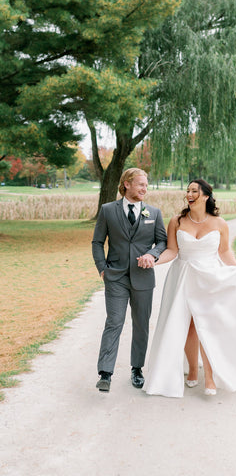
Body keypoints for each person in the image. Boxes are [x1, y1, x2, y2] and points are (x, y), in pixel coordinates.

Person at [142, 179, 236, 397]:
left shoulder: (219, 223)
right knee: (188, 325)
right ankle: (192, 369)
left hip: (210, 278)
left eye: (194, 191)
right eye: (188, 191)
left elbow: (225, 252)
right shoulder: (177, 221)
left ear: (206, 196)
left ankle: (209, 376)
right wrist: (153, 260)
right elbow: (172, 251)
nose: (189, 194)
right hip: (182, 276)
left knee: (206, 324)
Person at [92, 168, 167, 392]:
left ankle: (137, 369)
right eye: (141, 185)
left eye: (146, 185)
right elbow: (97, 242)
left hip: (143, 278)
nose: (145, 189)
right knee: (114, 321)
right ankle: (105, 373)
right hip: (115, 276)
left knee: (141, 324)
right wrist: (102, 268)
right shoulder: (107, 210)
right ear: (126, 184)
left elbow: (162, 242)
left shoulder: (154, 213)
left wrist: (152, 255)